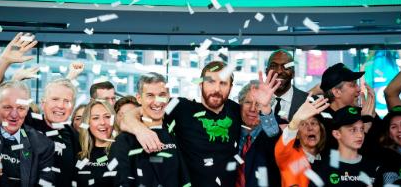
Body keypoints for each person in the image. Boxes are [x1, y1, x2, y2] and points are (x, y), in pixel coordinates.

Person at [121, 61, 280, 187]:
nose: (216, 89)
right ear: (200, 84)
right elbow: (128, 116)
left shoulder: (235, 110)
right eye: (210, 82)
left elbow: (271, 134)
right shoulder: (181, 107)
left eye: (223, 83)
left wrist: (265, 108)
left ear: (230, 87)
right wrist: (140, 130)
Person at [0, 33, 80, 187]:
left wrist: (69, 78)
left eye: (66, 102)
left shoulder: (68, 136)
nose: (61, 105)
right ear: (42, 103)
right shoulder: (27, 120)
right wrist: (4, 62)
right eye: (55, 100)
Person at [110, 72, 190, 187]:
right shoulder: (123, 141)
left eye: (162, 94)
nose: (157, 102)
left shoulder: (177, 133)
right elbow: (121, 182)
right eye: (150, 95)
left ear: (168, 97)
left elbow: (184, 178)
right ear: (139, 98)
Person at [0, 80, 54, 186]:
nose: (14, 115)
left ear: (27, 110)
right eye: (8, 107)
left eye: (21, 108)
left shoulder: (43, 145)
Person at [310, 106, 380, 187]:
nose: (360, 135)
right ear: (337, 134)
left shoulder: (375, 167)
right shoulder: (321, 168)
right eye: (353, 130)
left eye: (362, 129)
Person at [319, 63, 379, 153]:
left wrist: (372, 115)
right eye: (352, 85)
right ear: (337, 92)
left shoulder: (363, 113)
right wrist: (364, 128)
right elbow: (334, 159)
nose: (359, 89)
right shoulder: (321, 120)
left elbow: (382, 147)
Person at [275, 93, 329, 187]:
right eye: (303, 124)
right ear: (297, 135)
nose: (310, 128)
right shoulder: (288, 156)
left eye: (313, 123)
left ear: (321, 130)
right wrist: (296, 120)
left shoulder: (329, 160)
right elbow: (284, 143)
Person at [235, 78, 281, 187]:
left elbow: (274, 137)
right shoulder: (231, 130)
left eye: (258, 104)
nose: (252, 109)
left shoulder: (275, 130)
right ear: (240, 104)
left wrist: (265, 109)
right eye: (248, 102)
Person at [75, 100, 117, 187]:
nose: (102, 122)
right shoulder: (79, 155)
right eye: (95, 118)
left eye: (107, 117)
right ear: (88, 123)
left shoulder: (121, 152)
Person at [266, 49, 308, 124]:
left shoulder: (308, 102)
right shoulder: (254, 101)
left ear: (293, 73)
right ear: (266, 71)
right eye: (273, 66)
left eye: (286, 67)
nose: (279, 71)